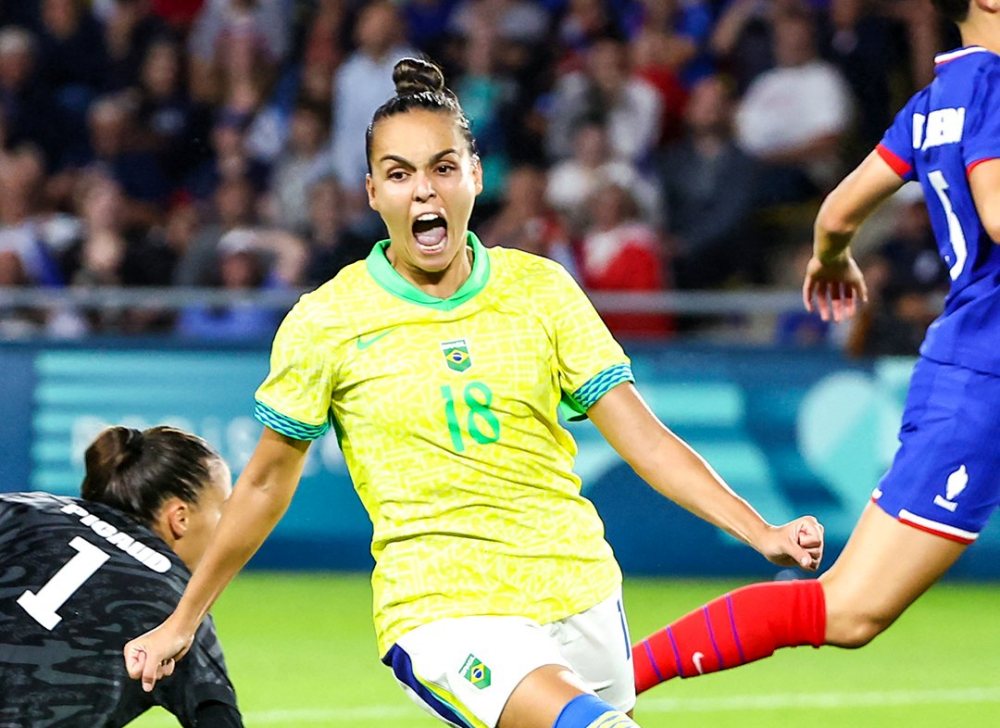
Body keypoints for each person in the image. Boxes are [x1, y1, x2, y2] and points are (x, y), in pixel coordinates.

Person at [123, 58, 822, 728]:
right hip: (444, 609)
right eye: (399, 175)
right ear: (372, 192)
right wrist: (183, 621)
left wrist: (756, 528)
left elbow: (639, 435)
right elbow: (266, 486)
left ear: (476, 177)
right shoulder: (328, 321)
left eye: (442, 168)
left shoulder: (541, 290)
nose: (423, 190)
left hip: (578, 589)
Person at [631, 0, 1000, 693]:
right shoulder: (992, 86)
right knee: (847, 610)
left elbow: (835, 211)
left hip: (974, 369)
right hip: (985, 376)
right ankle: (603, 691)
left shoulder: (932, 102)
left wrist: (831, 255)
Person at [0, 425, 241, 726]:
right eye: (224, 510)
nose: (232, 526)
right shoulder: (180, 615)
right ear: (180, 518)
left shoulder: (25, 508)